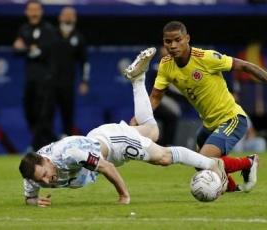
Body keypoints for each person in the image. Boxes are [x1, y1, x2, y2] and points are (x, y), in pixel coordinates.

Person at [19, 48, 227, 207]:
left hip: (113, 145)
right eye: (42, 179)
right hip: (99, 138)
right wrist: (34, 202)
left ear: (47, 160)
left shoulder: (70, 154)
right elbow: (29, 195)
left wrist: (123, 196)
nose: (48, 180)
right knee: (152, 131)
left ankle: (211, 164)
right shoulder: (34, 172)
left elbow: (106, 167)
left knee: (162, 157)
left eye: (45, 174)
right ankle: (138, 79)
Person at [144, 21, 267, 192]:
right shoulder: (166, 65)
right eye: (168, 41)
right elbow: (155, 97)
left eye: (178, 40)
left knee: (204, 159)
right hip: (209, 125)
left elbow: (245, 65)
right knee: (200, 164)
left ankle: (248, 162)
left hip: (232, 119)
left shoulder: (206, 58)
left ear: (187, 39)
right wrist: (136, 122)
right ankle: (232, 189)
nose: (173, 45)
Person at [13, 0, 57, 150]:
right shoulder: (23, 29)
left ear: (41, 11)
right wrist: (29, 49)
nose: (33, 13)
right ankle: (53, 141)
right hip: (30, 78)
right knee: (29, 110)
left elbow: (45, 51)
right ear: (26, 12)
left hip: (45, 78)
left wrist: (26, 48)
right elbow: (16, 50)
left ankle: (37, 146)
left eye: (36, 10)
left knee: (43, 114)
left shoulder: (49, 29)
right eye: (30, 10)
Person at [50, 6, 90, 136]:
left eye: (71, 15)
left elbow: (84, 62)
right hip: (49, 82)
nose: (68, 17)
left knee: (67, 113)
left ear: (75, 18)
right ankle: (43, 142)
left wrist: (84, 81)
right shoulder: (51, 34)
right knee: (46, 113)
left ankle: (65, 139)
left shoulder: (79, 37)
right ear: (60, 17)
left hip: (68, 83)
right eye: (65, 14)